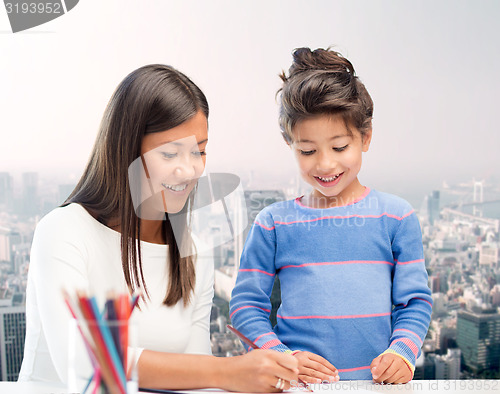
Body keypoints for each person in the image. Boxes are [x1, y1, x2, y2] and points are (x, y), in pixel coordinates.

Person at [18, 64, 299, 392]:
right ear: (126, 150)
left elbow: (196, 372)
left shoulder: (192, 252)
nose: (189, 169)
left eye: (199, 151)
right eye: (169, 153)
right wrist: (227, 372)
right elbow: (85, 362)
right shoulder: (63, 231)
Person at [229, 47, 433, 385]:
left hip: (375, 388)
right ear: (290, 144)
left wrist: (403, 351)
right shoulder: (273, 222)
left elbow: (415, 302)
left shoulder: (397, 217)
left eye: (339, 147)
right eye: (307, 151)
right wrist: (282, 356)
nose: (325, 164)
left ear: (365, 137)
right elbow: (246, 305)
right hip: (297, 388)